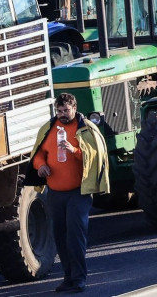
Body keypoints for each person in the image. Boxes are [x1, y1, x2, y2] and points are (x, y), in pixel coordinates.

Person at [30, 93, 110, 293]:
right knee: (60, 236)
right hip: (55, 193)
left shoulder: (85, 128)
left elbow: (94, 157)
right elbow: (38, 154)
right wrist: (40, 166)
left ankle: (79, 278)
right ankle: (68, 278)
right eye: (59, 111)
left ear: (74, 108)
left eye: (66, 110)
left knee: (75, 236)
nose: (63, 114)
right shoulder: (48, 129)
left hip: (78, 193)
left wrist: (73, 149)